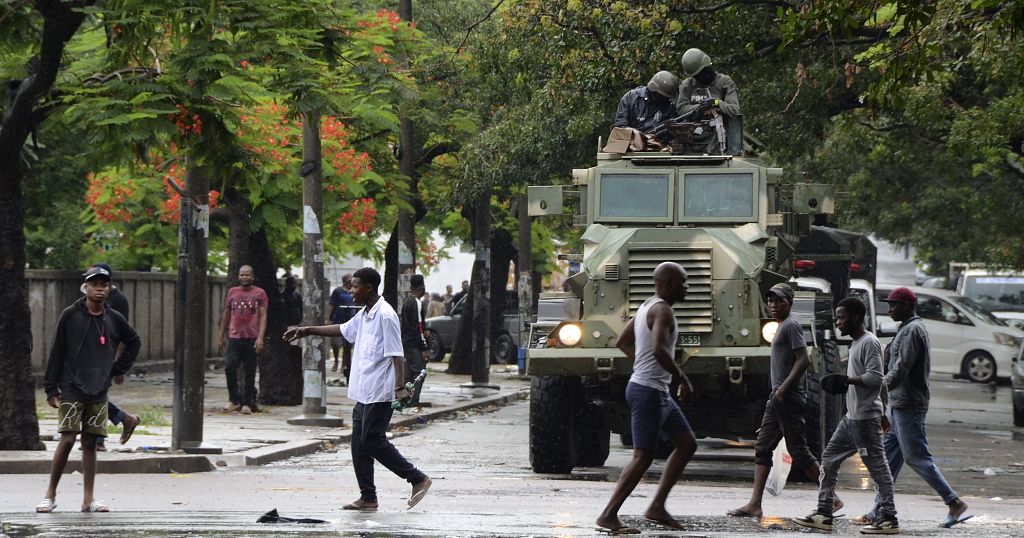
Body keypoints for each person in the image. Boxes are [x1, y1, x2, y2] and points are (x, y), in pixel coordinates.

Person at [284, 268, 432, 511]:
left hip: (381, 391)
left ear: (369, 288)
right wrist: (307, 330)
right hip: (364, 390)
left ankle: (417, 478)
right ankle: (368, 497)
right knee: (358, 443)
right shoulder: (364, 314)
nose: (350, 291)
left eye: (354, 287)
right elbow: (342, 329)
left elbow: (397, 355)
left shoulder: (385, 315)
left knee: (372, 440)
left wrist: (399, 388)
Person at [595, 262, 697, 534]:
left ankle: (657, 507)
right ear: (666, 284)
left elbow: (622, 342)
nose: (686, 287)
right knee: (642, 457)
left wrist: (643, 364)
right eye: (682, 282)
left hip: (656, 391)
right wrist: (683, 379)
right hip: (648, 391)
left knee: (687, 444)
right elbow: (659, 350)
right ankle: (608, 515)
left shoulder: (646, 307)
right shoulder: (662, 310)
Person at [728, 283, 841, 518]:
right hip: (778, 397)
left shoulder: (791, 325)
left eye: (778, 301)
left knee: (799, 451)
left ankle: (832, 498)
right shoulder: (781, 326)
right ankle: (755, 504)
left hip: (787, 398)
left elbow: (804, 360)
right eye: (770, 301)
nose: (773, 305)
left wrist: (782, 391)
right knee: (762, 447)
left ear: (789, 302)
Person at [859, 287, 968, 528]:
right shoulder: (907, 328)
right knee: (888, 459)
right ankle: (879, 509)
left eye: (894, 305)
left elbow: (900, 369)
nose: (890, 310)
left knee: (916, 457)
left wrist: (875, 386)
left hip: (909, 403)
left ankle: (954, 502)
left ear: (908, 305)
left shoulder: (912, 331)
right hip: (900, 403)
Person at [37, 266, 141, 513]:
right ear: (86, 287)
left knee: (90, 443)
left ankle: (88, 498)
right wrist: (51, 388)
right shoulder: (70, 315)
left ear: (108, 288)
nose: (99, 289)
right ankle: (50, 494)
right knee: (68, 439)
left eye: (104, 285)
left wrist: (117, 369)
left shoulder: (114, 318)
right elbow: (57, 351)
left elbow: (134, 341)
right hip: (72, 386)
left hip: (99, 389)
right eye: (94, 284)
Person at [793, 297, 899, 534]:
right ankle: (824, 512)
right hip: (852, 417)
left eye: (841, 317)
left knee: (878, 469)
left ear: (856, 317)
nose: (837, 322)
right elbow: (879, 384)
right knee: (829, 459)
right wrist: (882, 410)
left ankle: (889, 518)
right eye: (836, 317)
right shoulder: (856, 344)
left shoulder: (869, 343)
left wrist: (847, 381)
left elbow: (876, 377)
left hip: (864, 420)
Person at [85, 263, 141, 450]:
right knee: (91, 395)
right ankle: (123, 420)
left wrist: (120, 365)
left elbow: (124, 335)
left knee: (96, 395)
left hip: (106, 355)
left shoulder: (118, 300)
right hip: (90, 355)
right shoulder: (89, 298)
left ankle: (99, 439)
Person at [218, 265, 267, 415]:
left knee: (249, 371)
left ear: (252, 277)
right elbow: (226, 314)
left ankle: (247, 402)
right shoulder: (233, 292)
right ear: (239, 276)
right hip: (234, 336)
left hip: (251, 337)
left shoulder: (260, 293)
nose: (245, 277)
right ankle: (234, 399)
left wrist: (260, 337)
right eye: (242, 275)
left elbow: (263, 315)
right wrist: (221, 336)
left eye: (247, 275)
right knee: (230, 367)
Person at [676, 48, 740, 120]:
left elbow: (734, 110)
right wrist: (700, 108)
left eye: (701, 73)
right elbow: (681, 109)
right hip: (692, 128)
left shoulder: (725, 83)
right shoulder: (687, 85)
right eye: (696, 76)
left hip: (722, 128)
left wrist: (715, 103)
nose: (699, 77)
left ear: (707, 67)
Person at [614, 70, 680, 134]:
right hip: (630, 141)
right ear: (655, 92)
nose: (666, 100)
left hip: (657, 143)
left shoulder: (669, 107)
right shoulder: (631, 98)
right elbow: (620, 126)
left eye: (667, 97)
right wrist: (638, 135)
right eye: (663, 97)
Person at [400, 275, 429, 407]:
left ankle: (406, 399)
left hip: (406, 343)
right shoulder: (417, 303)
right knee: (419, 373)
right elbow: (419, 327)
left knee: (410, 373)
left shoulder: (406, 302)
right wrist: (424, 348)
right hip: (414, 345)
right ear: (422, 287)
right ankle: (413, 400)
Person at [328, 274, 355, 379]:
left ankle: (344, 365)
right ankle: (336, 361)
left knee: (347, 346)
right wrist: (329, 317)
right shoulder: (337, 291)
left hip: (350, 321)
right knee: (336, 343)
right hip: (338, 320)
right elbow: (331, 305)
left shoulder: (353, 292)